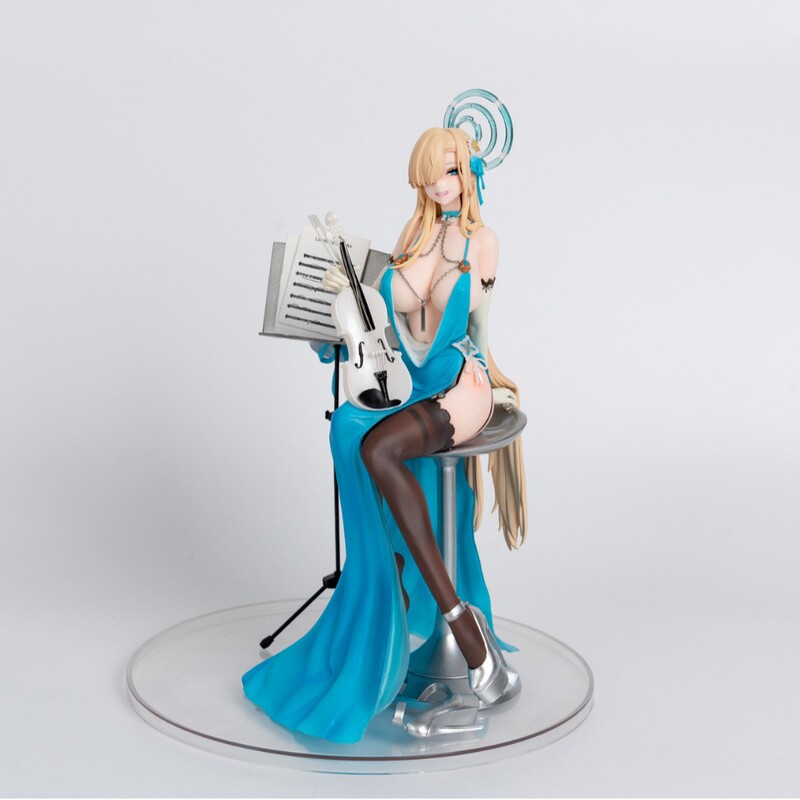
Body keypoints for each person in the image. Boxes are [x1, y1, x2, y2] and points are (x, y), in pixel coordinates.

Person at [242, 127, 527, 743]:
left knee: (380, 446)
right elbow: (388, 325)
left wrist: (490, 373)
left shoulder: (483, 243)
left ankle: (460, 623)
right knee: (350, 430)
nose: (438, 184)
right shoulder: (413, 234)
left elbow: (469, 325)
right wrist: (341, 324)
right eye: (429, 174)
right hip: (411, 379)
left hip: (458, 379)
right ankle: (387, 590)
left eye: (449, 171)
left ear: (470, 172)